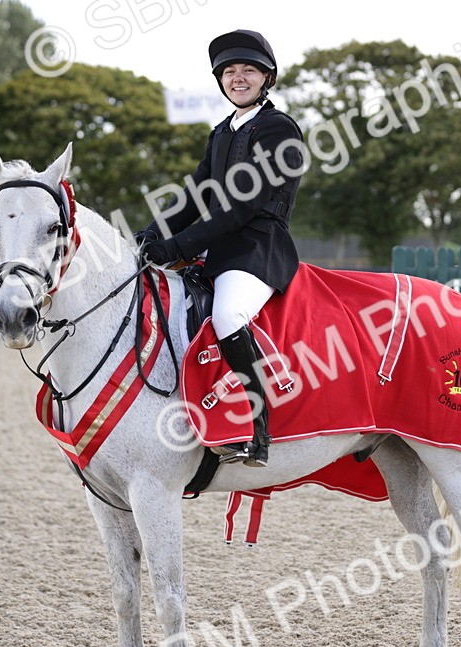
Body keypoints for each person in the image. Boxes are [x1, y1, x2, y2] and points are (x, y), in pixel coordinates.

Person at [136, 29, 304, 468]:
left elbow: (241, 207)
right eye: (230, 72)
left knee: (228, 314)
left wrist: (177, 246)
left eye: (248, 70)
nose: (238, 78)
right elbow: (196, 194)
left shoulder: (279, 129)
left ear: (267, 78)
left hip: (257, 249)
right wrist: (150, 235)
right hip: (219, 249)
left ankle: (257, 425)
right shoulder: (222, 132)